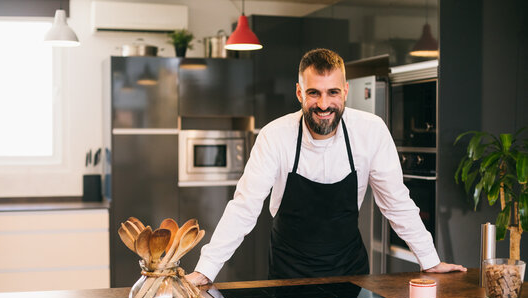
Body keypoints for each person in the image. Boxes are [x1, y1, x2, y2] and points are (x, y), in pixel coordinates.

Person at [187, 48, 466, 285]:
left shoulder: (370, 131)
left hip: (349, 271)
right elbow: (243, 208)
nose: (323, 104)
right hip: (287, 270)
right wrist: (205, 270)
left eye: (332, 92)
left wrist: (429, 260)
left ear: (345, 91)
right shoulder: (275, 136)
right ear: (299, 93)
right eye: (313, 93)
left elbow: (396, 202)